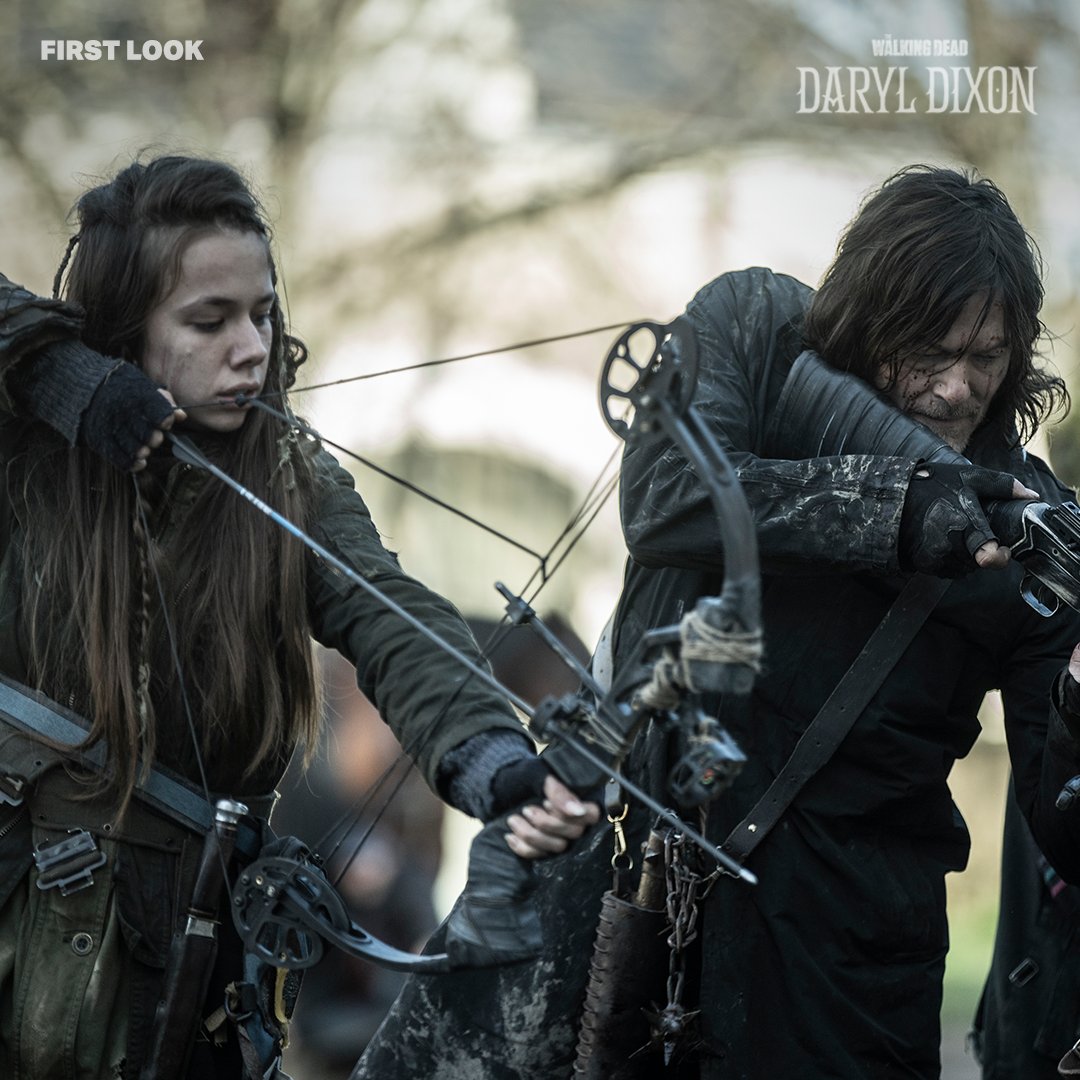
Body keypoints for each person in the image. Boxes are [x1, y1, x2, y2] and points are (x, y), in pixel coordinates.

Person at [353, 165, 1080, 1080]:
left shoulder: (1032, 532)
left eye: (987, 358)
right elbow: (667, 498)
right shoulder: (752, 334)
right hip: (617, 888)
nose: (955, 388)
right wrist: (899, 507)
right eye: (928, 351)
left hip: (841, 973)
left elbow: (1064, 831)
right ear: (865, 321)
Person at [0, 153, 599, 1080]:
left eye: (263, 313)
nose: (252, 347)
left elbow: (392, 616)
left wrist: (493, 762)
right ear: (125, 329)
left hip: (182, 964)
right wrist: (63, 380)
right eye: (209, 320)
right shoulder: (29, 447)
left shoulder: (292, 481)